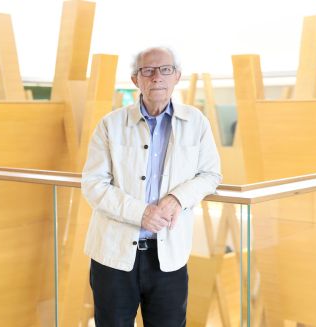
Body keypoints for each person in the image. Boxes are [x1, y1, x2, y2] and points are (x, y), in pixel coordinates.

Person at [81, 46, 222, 327]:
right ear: (136, 80)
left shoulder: (197, 123)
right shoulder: (110, 124)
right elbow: (93, 184)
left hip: (168, 256)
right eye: (148, 70)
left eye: (165, 70)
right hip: (113, 256)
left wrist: (177, 199)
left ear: (177, 76)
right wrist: (140, 212)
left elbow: (210, 174)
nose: (157, 76)